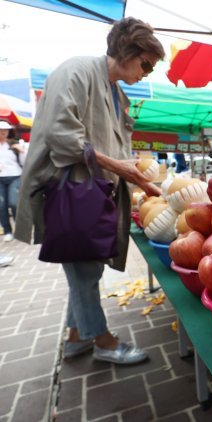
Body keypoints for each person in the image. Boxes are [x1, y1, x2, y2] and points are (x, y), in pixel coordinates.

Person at [14, 17, 164, 365]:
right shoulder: (75, 71)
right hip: (69, 191)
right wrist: (120, 168)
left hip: (94, 194)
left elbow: (118, 149)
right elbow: (61, 138)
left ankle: (75, 337)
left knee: (87, 266)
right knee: (83, 269)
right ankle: (104, 342)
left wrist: (140, 179)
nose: (147, 72)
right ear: (128, 51)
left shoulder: (116, 92)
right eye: (146, 64)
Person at [0, 120, 26, 242]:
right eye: (1, 130)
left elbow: (25, 162)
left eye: (5, 130)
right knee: (1, 205)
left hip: (15, 176)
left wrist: (22, 151)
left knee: (14, 203)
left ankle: (20, 230)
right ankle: (7, 231)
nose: (3, 133)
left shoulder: (15, 144)